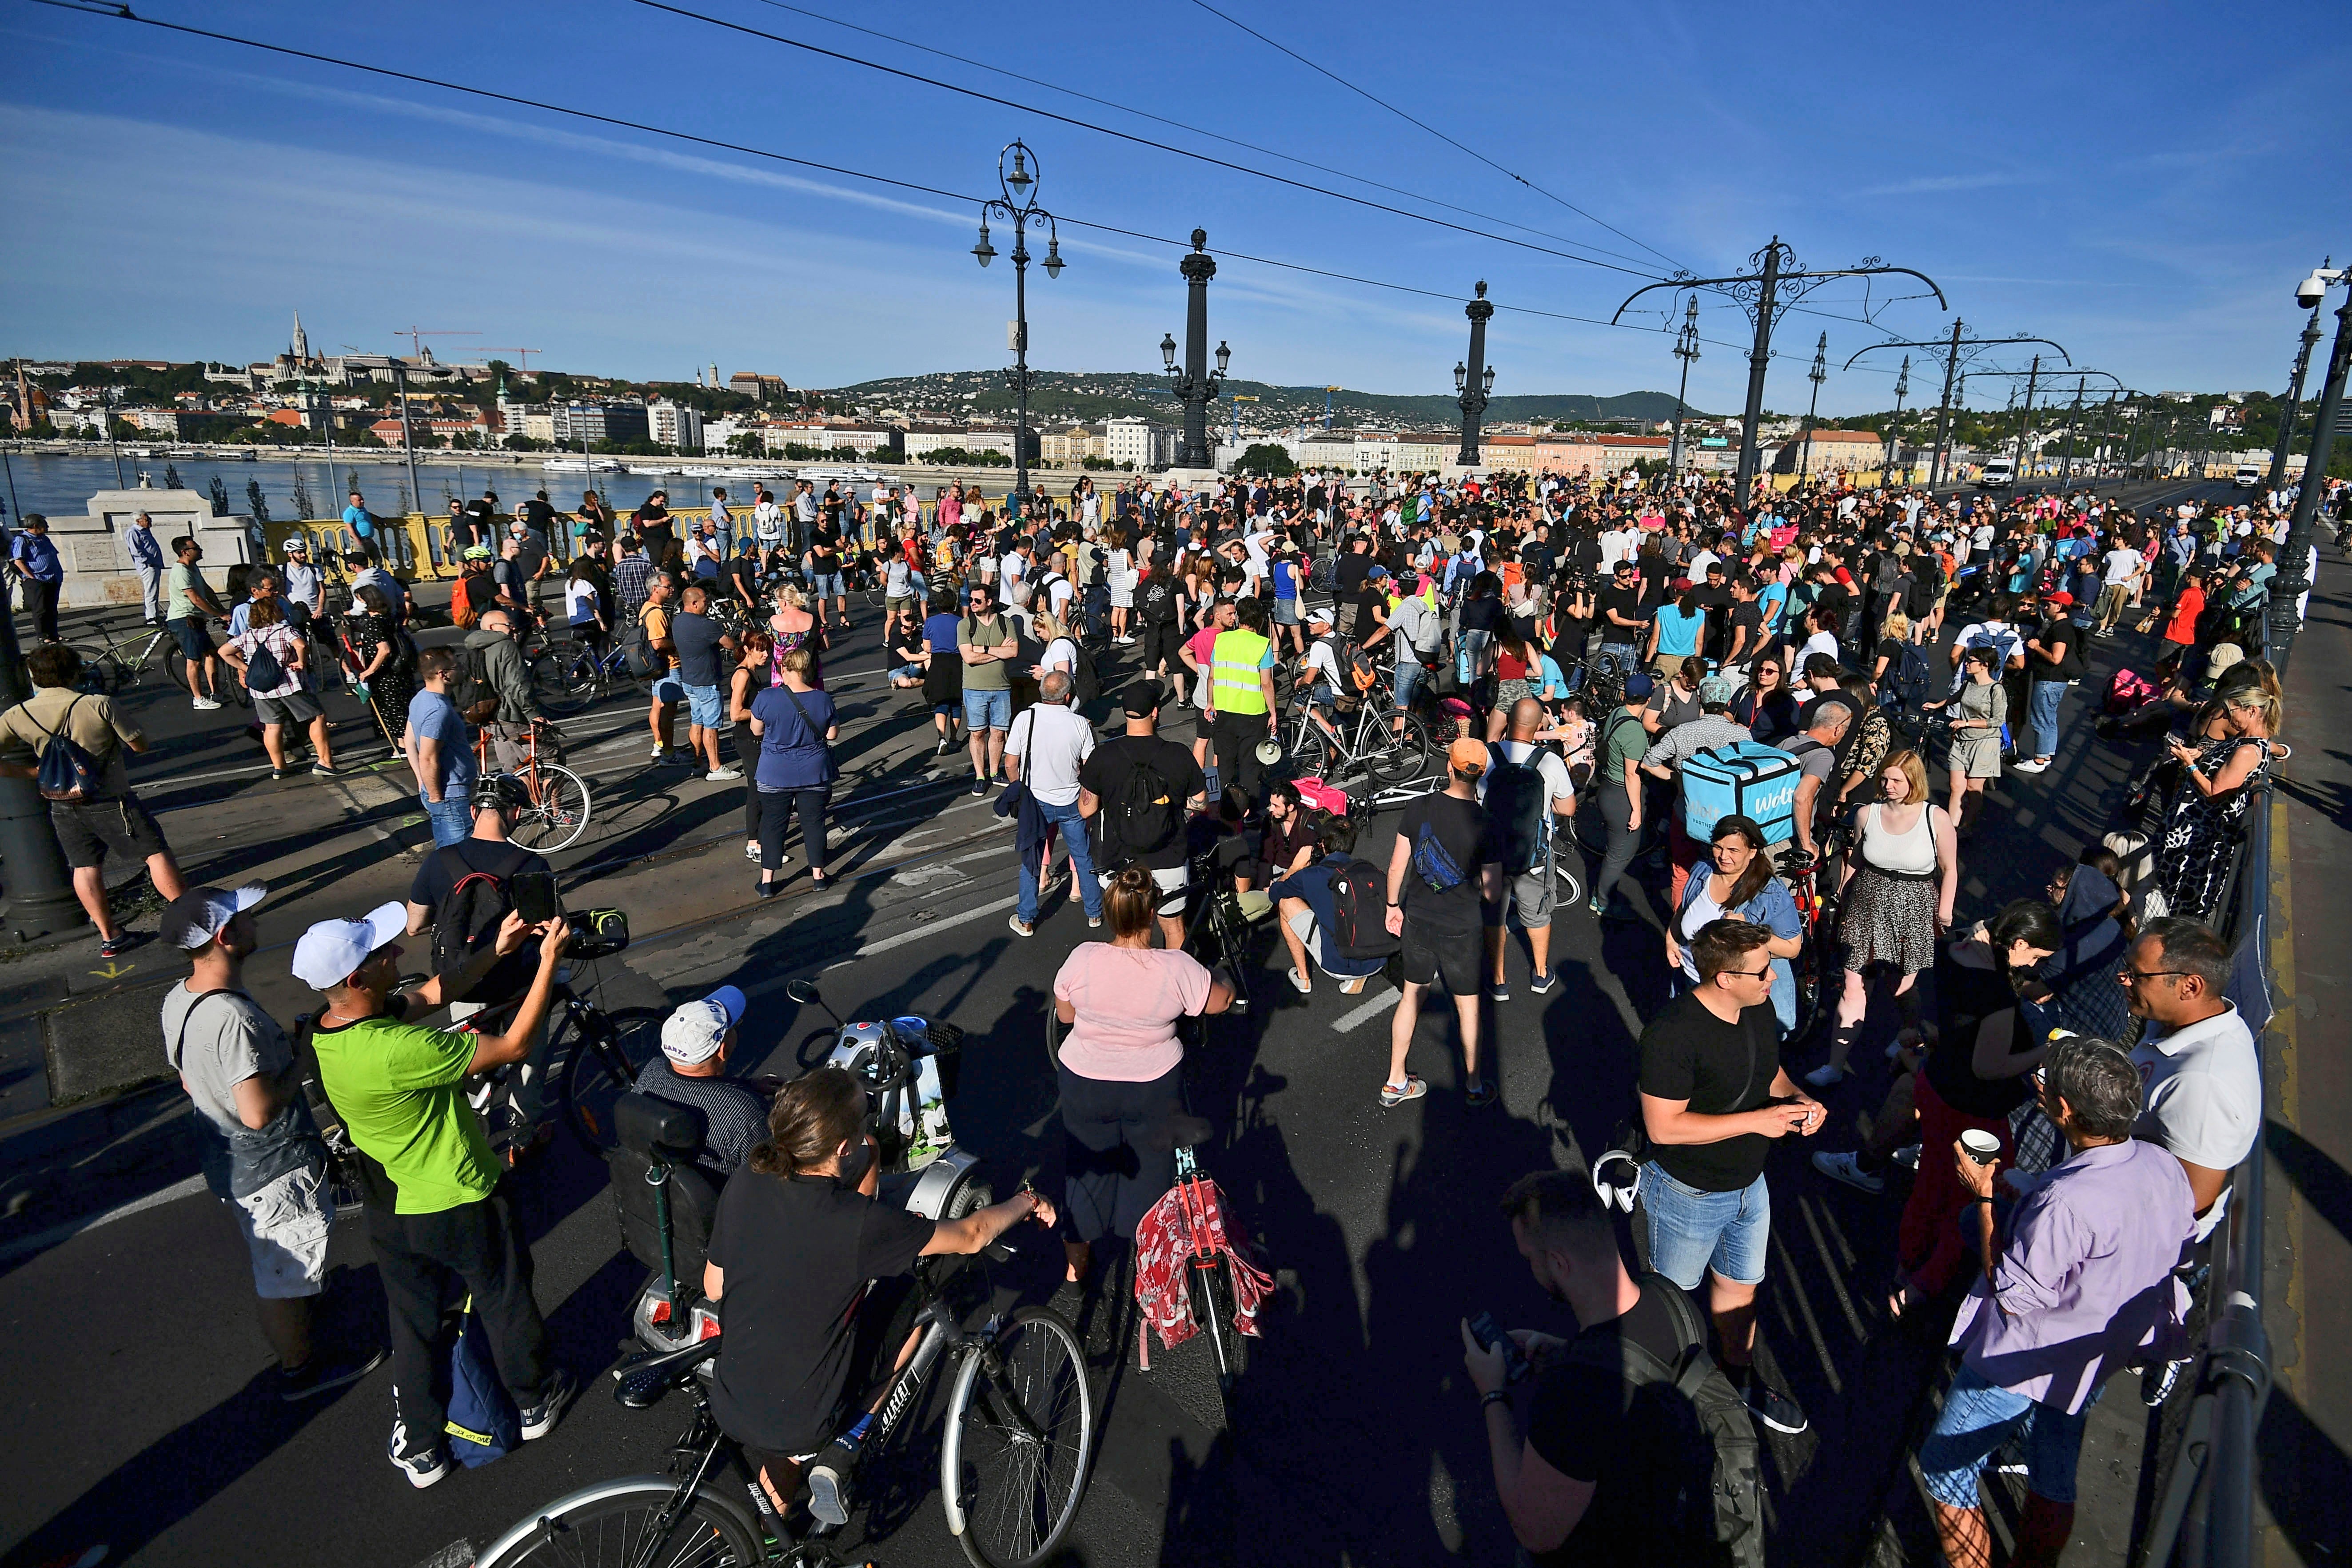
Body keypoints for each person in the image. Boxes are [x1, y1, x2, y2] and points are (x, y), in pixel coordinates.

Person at [295, 899, 576, 1488]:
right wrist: (546, 962)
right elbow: (515, 1047)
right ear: (357, 977)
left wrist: (495, 951)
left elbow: (428, 995)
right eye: (382, 952)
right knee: (503, 1294)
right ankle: (533, 1397)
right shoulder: (402, 1051)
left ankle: (423, 1445)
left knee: (414, 1321)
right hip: (460, 1193)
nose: (397, 952)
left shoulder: (325, 1035)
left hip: (393, 1207)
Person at [703, 1067, 1059, 1522]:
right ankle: (847, 1442)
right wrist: (1028, 1199)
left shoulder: (749, 1178)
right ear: (842, 1147)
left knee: (774, 1464)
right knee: (909, 1295)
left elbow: (715, 1284)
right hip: (806, 1415)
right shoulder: (857, 1223)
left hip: (734, 1392)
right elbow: (972, 1234)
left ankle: (747, 1542)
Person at [1917, 1037, 2194, 1568]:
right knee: (2053, 1467)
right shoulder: (2161, 1163)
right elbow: (2175, 1244)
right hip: (2093, 1355)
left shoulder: (2064, 1200)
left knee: (1944, 1468)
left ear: (2064, 1109)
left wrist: (1981, 1192)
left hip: (2019, 1360)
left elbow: (2015, 1293)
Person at [158, 881, 386, 1399]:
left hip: (228, 1162)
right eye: (246, 917)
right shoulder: (232, 1017)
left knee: (285, 1267)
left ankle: (303, 1317)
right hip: (271, 1170)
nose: (256, 921)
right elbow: (258, 1111)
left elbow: (190, 1079)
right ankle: (300, 1366)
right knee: (281, 1276)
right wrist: (302, 1059)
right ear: (226, 936)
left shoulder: (181, 999)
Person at [1466, 1167, 1729, 1564]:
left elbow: (1533, 1530)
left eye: (1530, 1259)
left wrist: (1493, 1394)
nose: (1531, 1270)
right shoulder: (1672, 1300)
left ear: (1558, 1262)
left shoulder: (1574, 1396)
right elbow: (1641, 1369)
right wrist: (1566, 1352)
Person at [1636, 917, 1821, 1435]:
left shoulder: (1755, 1007)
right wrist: (1758, 1121)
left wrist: (1796, 1100)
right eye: (1763, 970)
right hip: (1686, 1195)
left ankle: (1737, 1381)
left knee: (1740, 1292)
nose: (1774, 976)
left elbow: (1771, 1073)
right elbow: (1663, 1127)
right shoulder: (1671, 1035)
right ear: (1724, 977)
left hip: (1748, 1186)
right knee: (1669, 1309)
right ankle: (1662, 1409)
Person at [1052, 864, 1234, 1284]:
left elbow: (1065, 1014)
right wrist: (1221, 976)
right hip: (1152, 1089)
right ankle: (1152, 1271)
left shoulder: (1083, 957)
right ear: (1153, 915)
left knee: (1085, 1170)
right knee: (1151, 1176)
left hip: (1085, 1083)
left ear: (1112, 914)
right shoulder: (1176, 967)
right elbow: (1220, 1002)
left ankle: (1075, 1271)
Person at [0, 643, 189, 958]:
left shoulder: (17, 714)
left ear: (34, 676)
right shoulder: (99, 704)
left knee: (85, 868)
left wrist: (32, 773)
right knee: (155, 854)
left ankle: (110, 936)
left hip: (63, 802)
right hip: (111, 798)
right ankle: (191, 920)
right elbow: (139, 745)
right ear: (74, 672)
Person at [1806, 750, 1958, 1086]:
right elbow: (1857, 859)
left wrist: (1944, 910)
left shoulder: (1936, 818)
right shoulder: (1867, 814)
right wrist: (1842, 898)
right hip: (1867, 902)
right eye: (1885, 778)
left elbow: (1949, 870)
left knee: (1900, 986)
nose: (1888, 786)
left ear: (1914, 781)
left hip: (1915, 904)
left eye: (1897, 780)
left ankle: (1909, 1033)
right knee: (1853, 984)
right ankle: (1834, 1065)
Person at [1382, 738, 1506, 1109]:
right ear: (1481, 775)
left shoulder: (1420, 806)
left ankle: (1395, 1081)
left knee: (1411, 997)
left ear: (1448, 768)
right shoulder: (1487, 824)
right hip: (1462, 927)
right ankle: (1473, 1085)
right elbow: (1492, 893)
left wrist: (1393, 906)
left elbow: (1396, 866)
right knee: (1468, 1007)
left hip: (1418, 919)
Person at [2122, 918, 2260, 1244]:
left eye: (2137, 975)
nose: (2123, 979)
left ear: (2191, 987)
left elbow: (2191, 1201)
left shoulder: (2202, 1083)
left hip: (2133, 1240)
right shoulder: (2174, 1022)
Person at [1078, 681, 1208, 952]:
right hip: (1169, 857)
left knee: (1129, 932)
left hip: (1119, 862)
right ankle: (1175, 983)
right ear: (1156, 712)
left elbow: (1086, 809)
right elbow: (1200, 803)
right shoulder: (1178, 754)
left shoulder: (1103, 756)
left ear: (1125, 713)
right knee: (1174, 927)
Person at [1668, 813, 1802, 1036]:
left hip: (1737, 1002)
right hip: (1695, 982)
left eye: (1733, 851)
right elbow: (1685, 909)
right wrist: (1671, 939)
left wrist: (1751, 929)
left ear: (1752, 852)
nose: (1723, 857)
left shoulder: (1771, 893)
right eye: (1718, 847)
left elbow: (1793, 948)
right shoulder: (1703, 870)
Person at [2153, 683, 2277, 921]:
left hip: (2197, 841)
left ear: (2252, 711)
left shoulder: (2248, 751)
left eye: (2232, 714)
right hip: (2190, 832)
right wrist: (2201, 756)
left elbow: (2214, 792)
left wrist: (2188, 764)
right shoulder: (2243, 740)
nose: (2229, 720)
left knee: (2177, 901)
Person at [1480, 697, 1578, 1000]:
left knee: (1493, 915)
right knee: (1537, 915)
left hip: (1490, 854)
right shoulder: (1548, 761)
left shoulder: (1487, 754)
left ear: (1508, 721)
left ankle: (1498, 980)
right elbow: (1568, 808)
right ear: (1538, 727)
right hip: (1533, 857)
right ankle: (1539, 973)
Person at [633, 986, 769, 1181]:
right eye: (735, 1026)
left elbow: (695, 1091)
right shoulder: (744, 1112)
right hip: (724, 1206)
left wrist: (747, 1086)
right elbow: (772, 1178)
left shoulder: (652, 1071)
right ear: (722, 1051)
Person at [1005, 669, 1104, 936]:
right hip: (1071, 801)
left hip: (1036, 803)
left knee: (1032, 861)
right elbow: (1091, 767)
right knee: (1083, 857)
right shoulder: (1080, 724)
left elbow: (1011, 763)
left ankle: (1026, 919)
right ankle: (1094, 913)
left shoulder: (1025, 719)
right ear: (1068, 696)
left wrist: (1020, 789)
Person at [749, 645, 837, 897]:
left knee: (773, 825)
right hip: (814, 772)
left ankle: (767, 882)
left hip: (774, 773)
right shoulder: (823, 698)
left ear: (783, 669)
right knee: (814, 823)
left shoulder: (766, 697)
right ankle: (818, 876)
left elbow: (756, 731)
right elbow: (832, 734)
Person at [223, 597, 339, 781]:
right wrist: (301, 661)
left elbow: (224, 651)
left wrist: (245, 669)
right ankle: (325, 762)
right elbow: (301, 644)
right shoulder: (284, 631)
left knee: (272, 726)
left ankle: (279, 767)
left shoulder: (248, 635)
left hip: (262, 689)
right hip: (288, 684)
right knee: (316, 717)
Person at [1270, 814, 1386, 996]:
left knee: (1286, 902)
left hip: (1339, 964)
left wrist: (1294, 867)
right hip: (1378, 960)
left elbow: (1275, 894)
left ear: (1323, 844)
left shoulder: (1312, 876)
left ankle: (1303, 978)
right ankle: (1360, 972)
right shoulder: (1371, 870)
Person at [1587, 673, 1658, 921]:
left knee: (1614, 849)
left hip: (1607, 788)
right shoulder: (1636, 732)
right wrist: (1637, 811)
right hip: (1622, 797)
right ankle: (1602, 901)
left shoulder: (1617, 714)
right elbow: (1632, 775)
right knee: (1620, 855)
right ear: (1648, 699)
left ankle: (1603, 895)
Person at [1205, 597, 1280, 811]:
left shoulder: (1222, 640)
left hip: (1224, 711)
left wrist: (1210, 703)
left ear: (1238, 617)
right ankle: (1251, 812)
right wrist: (1273, 713)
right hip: (1253, 715)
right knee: (1250, 767)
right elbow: (1266, 683)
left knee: (1226, 765)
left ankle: (1225, 808)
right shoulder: (1262, 645)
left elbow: (1212, 677)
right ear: (1260, 621)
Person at [1922, 645, 2007, 834]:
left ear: (1984, 665)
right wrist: (1936, 706)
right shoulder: (1969, 683)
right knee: (1956, 786)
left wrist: (1966, 723)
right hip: (1962, 741)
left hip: (1984, 744)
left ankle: (1967, 827)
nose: (1966, 664)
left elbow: (1997, 721)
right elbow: (1956, 698)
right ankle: (1952, 830)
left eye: (1971, 661)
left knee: (1973, 788)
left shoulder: (1996, 690)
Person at [402, 647, 476, 849]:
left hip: (438, 793)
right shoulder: (438, 710)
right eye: (457, 666)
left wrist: (421, 782)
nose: (462, 669)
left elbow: (409, 741)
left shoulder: (421, 698)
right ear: (443, 675)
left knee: (446, 854)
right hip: (451, 796)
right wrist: (436, 798)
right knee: (460, 857)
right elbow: (428, 758)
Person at [669, 583, 741, 784]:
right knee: (712, 725)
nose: (707, 604)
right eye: (704, 602)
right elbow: (729, 644)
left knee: (697, 721)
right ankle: (716, 766)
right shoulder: (705, 625)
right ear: (693, 604)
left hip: (690, 680)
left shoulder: (678, 621)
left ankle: (699, 762)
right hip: (707, 681)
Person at [957, 581, 1020, 796]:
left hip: (1002, 688)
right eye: (970, 600)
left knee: (999, 734)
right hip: (974, 689)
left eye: (977, 600)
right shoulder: (965, 625)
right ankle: (980, 776)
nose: (972, 604)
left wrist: (983, 649)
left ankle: (994, 772)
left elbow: (1013, 652)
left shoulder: (1006, 622)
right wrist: (997, 651)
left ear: (989, 602)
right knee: (977, 734)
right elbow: (969, 658)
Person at [2016, 593, 2084, 774]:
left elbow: (2056, 658)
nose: (2045, 608)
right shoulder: (2064, 627)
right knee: (2049, 719)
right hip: (2054, 681)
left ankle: (2039, 760)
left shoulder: (2061, 629)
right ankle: (2046, 756)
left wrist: (2036, 647)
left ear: (2060, 607)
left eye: (2050, 604)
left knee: (2041, 720)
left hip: (2049, 681)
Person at [341, 583, 415, 748]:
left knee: (393, 711)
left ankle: (403, 747)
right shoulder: (388, 619)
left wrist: (369, 671)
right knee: (404, 708)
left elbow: (384, 649)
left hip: (386, 675)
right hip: (400, 671)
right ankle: (406, 745)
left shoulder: (374, 624)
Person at [166, 534, 227, 709]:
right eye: (196, 548)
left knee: (211, 654)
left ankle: (216, 692)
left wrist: (222, 610)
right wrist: (219, 615)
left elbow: (207, 592)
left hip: (196, 619)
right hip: (185, 619)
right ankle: (198, 699)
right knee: (194, 660)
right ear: (185, 552)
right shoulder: (181, 571)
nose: (200, 550)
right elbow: (196, 599)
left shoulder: (193, 568)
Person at [639, 573, 690, 766]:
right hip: (669, 667)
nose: (672, 590)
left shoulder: (647, 608)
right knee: (668, 712)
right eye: (668, 587)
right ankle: (668, 753)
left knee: (658, 707)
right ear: (655, 589)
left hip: (658, 668)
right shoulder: (657, 614)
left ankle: (660, 745)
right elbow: (658, 643)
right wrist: (679, 643)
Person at [10, 512, 65, 642]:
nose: (47, 527)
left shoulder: (44, 538)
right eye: (44, 524)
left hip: (53, 578)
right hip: (38, 580)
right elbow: (18, 561)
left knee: (52, 608)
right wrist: (31, 577)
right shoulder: (22, 540)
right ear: (36, 526)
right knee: (41, 609)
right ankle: (43, 636)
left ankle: (54, 634)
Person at [128, 509, 167, 625]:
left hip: (154, 565)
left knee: (154, 591)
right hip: (148, 566)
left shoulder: (145, 531)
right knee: (151, 592)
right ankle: (151, 618)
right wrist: (147, 562)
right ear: (139, 521)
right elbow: (136, 550)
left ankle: (154, 615)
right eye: (147, 519)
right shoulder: (134, 532)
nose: (150, 521)